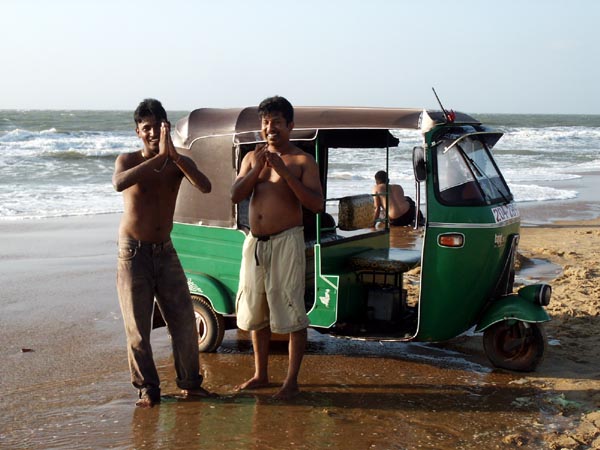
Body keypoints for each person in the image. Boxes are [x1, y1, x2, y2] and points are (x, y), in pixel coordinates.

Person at [112, 98, 213, 408]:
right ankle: (147, 389)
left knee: (183, 322)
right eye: (146, 129)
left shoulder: (177, 163)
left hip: (166, 252)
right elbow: (119, 183)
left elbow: (205, 186)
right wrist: (159, 158)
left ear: (167, 127)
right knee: (138, 329)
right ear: (137, 132)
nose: (153, 133)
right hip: (133, 254)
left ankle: (190, 384)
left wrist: (174, 157)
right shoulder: (127, 160)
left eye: (158, 127)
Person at [231, 96, 324, 400]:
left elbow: (316, 204)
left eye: (277, 123)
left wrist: (284, 173)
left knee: (291, 312)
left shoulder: (301, 161)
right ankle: (260, 374)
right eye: (265, 122)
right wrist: (257, 169)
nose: (270, 128)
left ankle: (291, 381)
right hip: (255, 243)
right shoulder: (251, 158)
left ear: (291, 126)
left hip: (287, 241)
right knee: (256, 311)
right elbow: (235, 195)